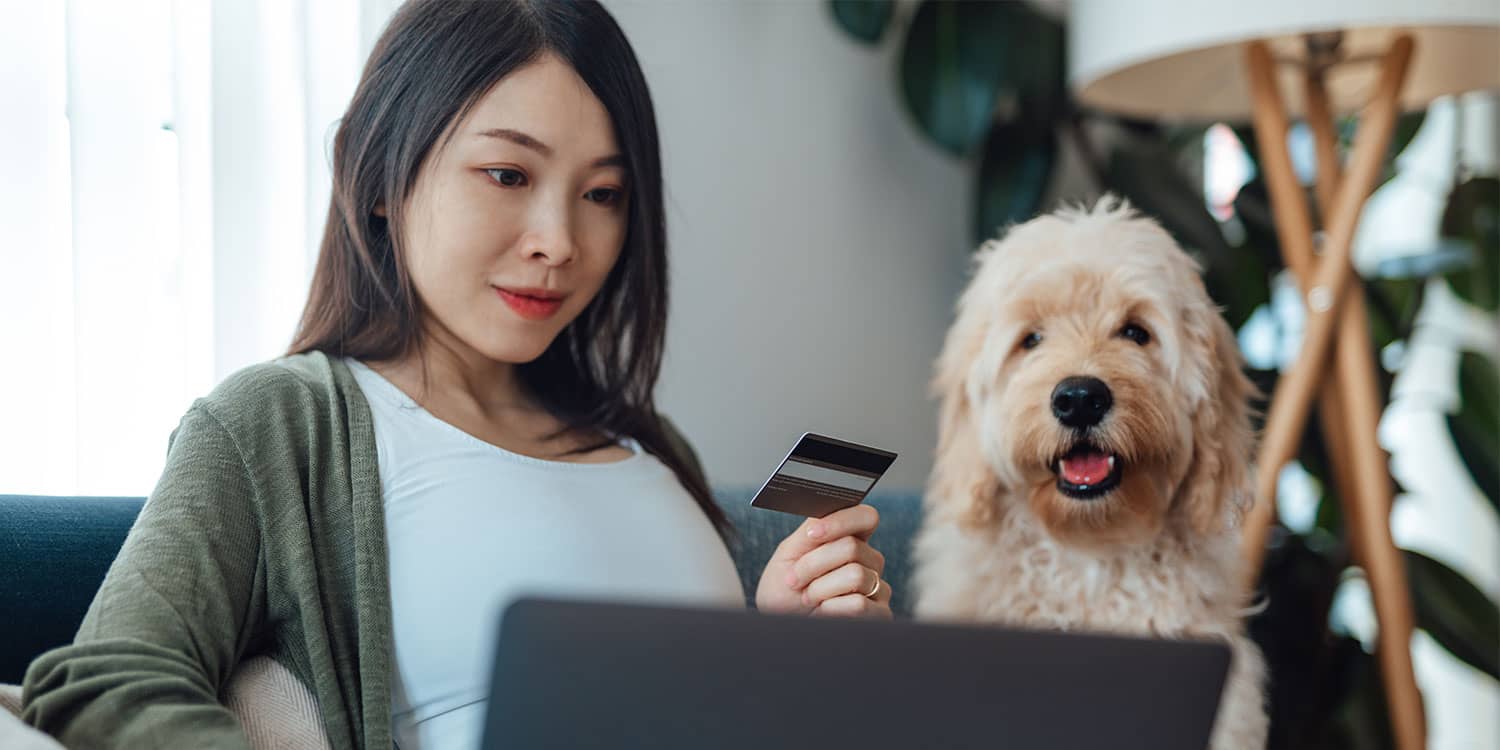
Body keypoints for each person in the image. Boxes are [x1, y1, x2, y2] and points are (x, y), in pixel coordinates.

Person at [21, 1, 892, 748]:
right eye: (508, 173)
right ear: (378, 176)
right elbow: (109, 684)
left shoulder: (651, 452)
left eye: (603, 194)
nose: (560, 239)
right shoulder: (280, 423)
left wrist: (787, 654)